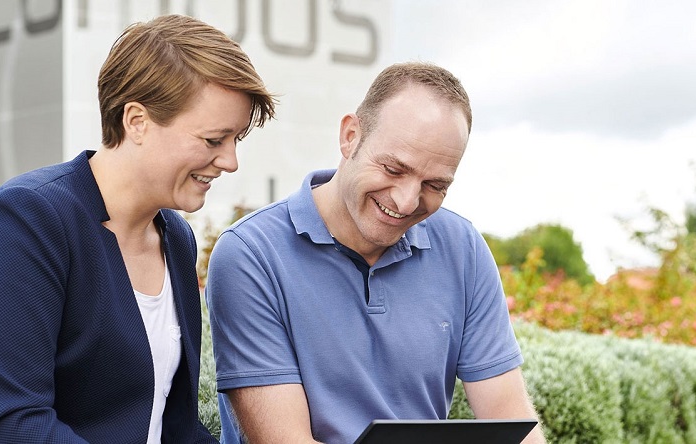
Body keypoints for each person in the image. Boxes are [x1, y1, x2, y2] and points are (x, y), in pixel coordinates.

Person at [0, 14, 275, 443]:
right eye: (213, 140)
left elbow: (174, 426)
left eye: (236, 139)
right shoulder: (26, 222)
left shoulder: (176, 239)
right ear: (137, 121)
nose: (230, 161)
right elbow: (11, 425)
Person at [206, 62, 546, 444]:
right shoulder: (252, 255)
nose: (406, 201)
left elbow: (511, 419)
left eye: (435, 185)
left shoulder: (463, 248)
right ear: (351, 136)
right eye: (393, 168)